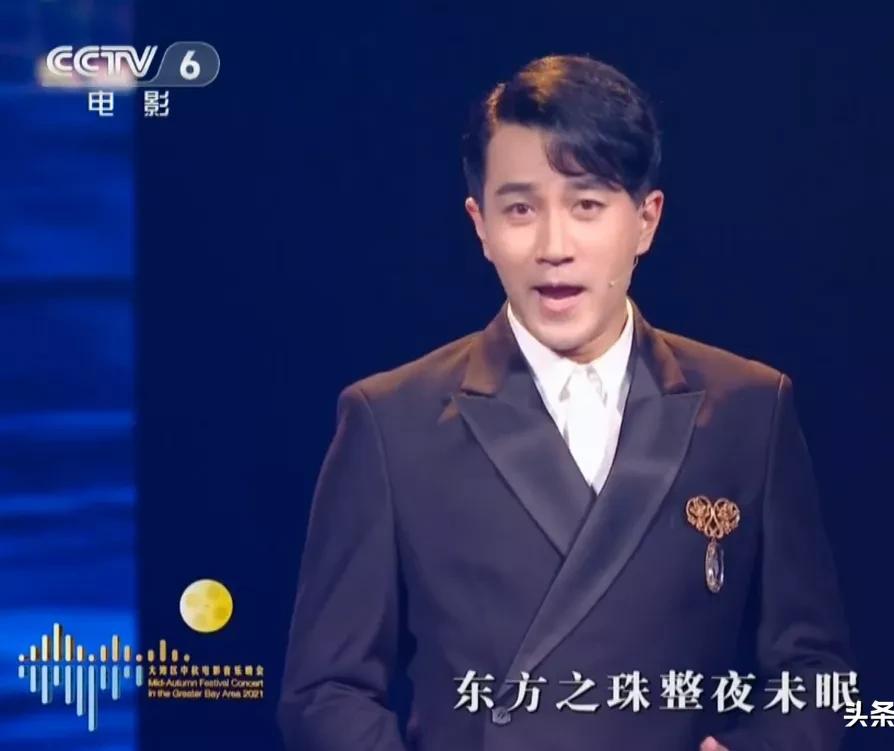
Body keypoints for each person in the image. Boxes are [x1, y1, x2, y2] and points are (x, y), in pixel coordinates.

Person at [278, 54, 854, 751]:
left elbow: (816, 673)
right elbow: (326, 691)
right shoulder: (391, 421)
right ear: (480, 225)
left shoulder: (749, 410)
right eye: (520, 209)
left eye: (587, 205)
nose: (554, 246)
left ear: (645, 220)